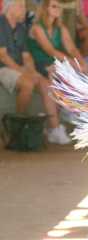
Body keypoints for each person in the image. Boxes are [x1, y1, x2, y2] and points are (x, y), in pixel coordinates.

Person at [0, 0, 71, 144]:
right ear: (10, 8)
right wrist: (25, 73)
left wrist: (33, 72)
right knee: (28, 83)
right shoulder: (1, 24)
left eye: (24, 6)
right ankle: (17, 127)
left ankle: (55, 129)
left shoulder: (20, 27)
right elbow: (3, 56)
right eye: (20, 6)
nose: (24, 10)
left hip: (18, 68)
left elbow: (27, 56)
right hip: (3, 67)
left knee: (45, 83)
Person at [27, 0, 88, 78]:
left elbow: (72, 49)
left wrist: (81, 62)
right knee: (65, 72)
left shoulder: (61, 28)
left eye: (59, 7)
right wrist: (73, 63)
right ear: (46, 8)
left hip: (56, 62)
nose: (58, 9)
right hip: (41, 63)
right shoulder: (37, 28)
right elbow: (50, 50)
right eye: (54, 6)